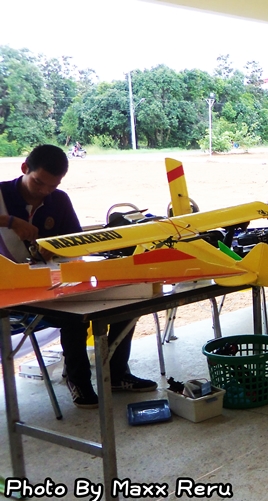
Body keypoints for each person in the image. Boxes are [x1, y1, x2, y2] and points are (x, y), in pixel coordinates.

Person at [0, 145, 157, 409]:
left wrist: (56, 250)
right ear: (24, 168)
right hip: (15, 291)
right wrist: (10, 221)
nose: (44, 191)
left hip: (56, 282)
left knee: (127, 302)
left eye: (53, 186)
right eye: (38, 182)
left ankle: (117, 374)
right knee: (74, 318)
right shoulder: (2, 195)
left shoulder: (59, 200)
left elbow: (77, 244)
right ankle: (78, 380)